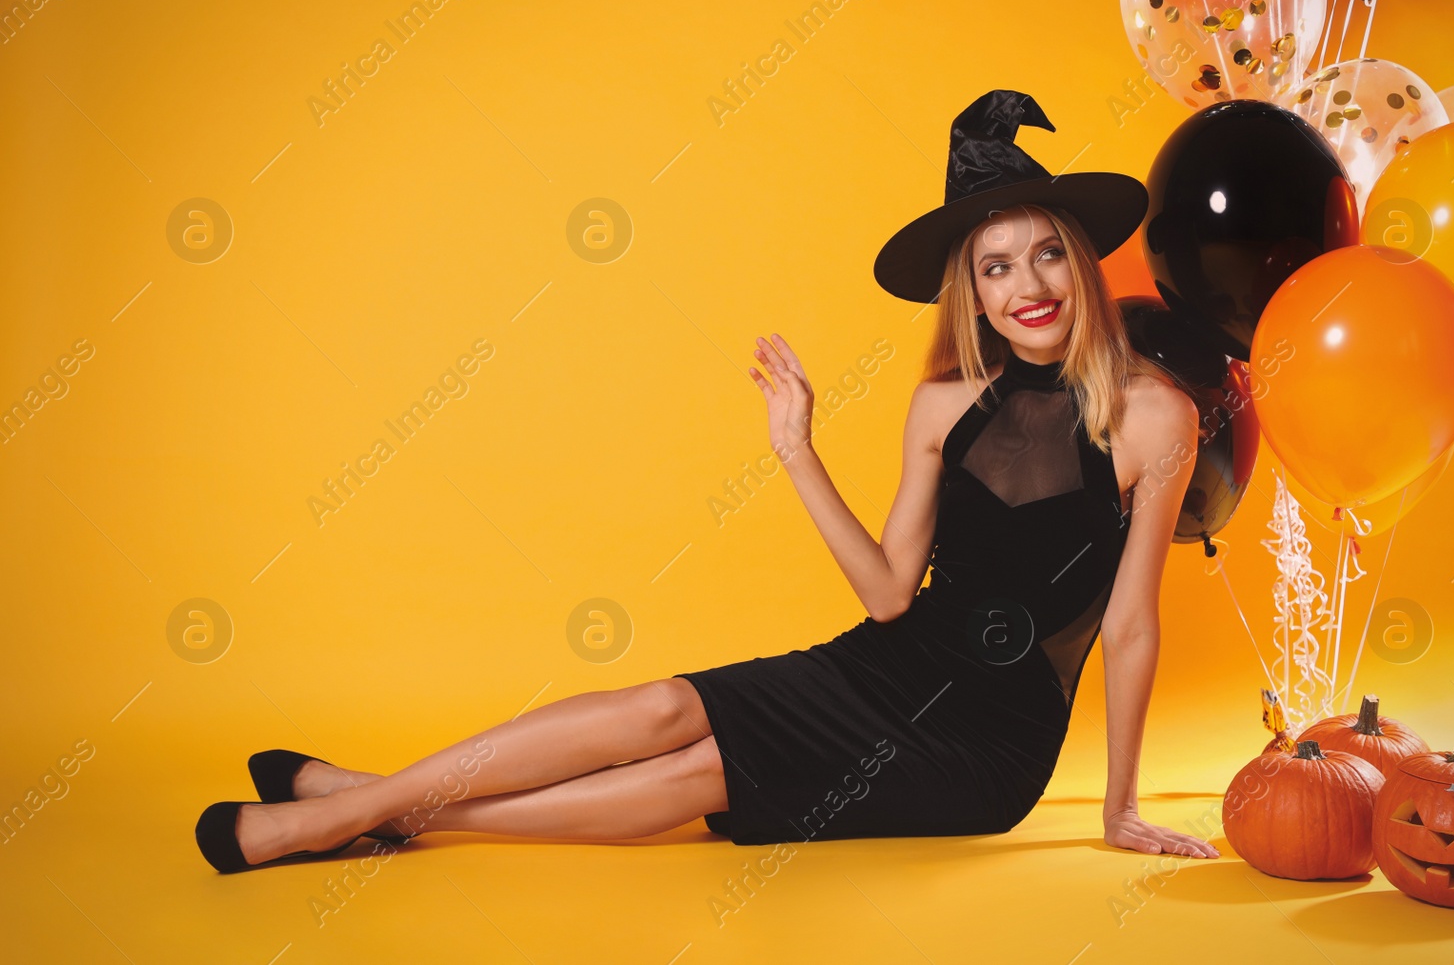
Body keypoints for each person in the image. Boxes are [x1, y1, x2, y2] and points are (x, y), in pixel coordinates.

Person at [194, 89, 1219, 873]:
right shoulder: (943, 407)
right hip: (880, 662)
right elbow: (885, 594)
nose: (1027, 285)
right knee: (657, 710)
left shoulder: (1152, 416)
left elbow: (1128, 625)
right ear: (973, 296)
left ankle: (348, 809)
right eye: (995, 267)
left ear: (1079, 263)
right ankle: (364, 806)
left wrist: (1117, 806)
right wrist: (796, 452)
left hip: (987, 741)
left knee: (696, 775)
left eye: (1045, 253)